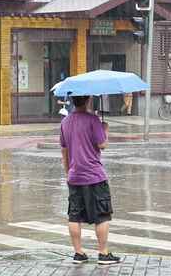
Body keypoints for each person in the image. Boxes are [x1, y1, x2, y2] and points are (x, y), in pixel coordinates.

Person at [59, 95, 121, 265]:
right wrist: (105, 129)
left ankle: (78, 253)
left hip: (74, 176)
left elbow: (64, 150)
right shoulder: (93, 120)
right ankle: (103, 253)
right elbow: (102, 145)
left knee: (74, 215)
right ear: (87, 100)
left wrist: (68, 173)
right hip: (94, 176)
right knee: (101, 215)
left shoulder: (65, 122)